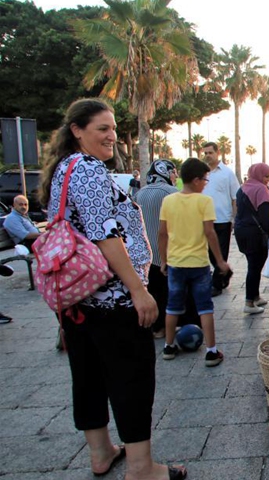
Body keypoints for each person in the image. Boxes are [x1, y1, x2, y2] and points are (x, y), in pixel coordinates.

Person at [39, 98, 185, 479]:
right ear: (77, 130)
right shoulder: (87, 169)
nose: (111, 136)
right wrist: (138, 290)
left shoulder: (64, 169)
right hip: (112, 297)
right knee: (131, 377)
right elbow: (106, 234)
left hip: (78, 299)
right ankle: (141, 468)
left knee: (87, 374)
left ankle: (101, 452)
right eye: (102, 128)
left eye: (113, 129)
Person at [159, 158, 230, 367]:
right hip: (198, 264)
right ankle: (211, 351)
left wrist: (164, 260)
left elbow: (162, 233)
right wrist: (220, 261)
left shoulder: (169, 201)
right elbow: (210, 233)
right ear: (197, 180)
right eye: (206, 180)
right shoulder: (204, 201)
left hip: (175, 263)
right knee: (205, 308)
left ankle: (169, 346)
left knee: (172, 307)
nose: (206, 183)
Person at [134, 160, 178, 339]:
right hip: (167, 253)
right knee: (168, 294)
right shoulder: (172, 193)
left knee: (153, 291)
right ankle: (167, 328)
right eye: (174, 172)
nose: (175, 176)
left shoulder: (139, 193)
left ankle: (154, 327)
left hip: (146, 254)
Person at [201, 141, 240, 296]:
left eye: (210, 153)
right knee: (210, 253)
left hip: (222, 219)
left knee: (221, 252)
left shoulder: (227, 173)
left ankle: (216, 284)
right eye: (205, 153)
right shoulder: (202, 174)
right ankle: (224, 272)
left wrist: (234, 219)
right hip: (204, 220)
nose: (208, 156)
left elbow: (235, 197)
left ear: (218, 153)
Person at [234, 163, 269, 314]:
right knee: (254, 267)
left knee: (253, 264)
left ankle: (255, 296)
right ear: (258, 175)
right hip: (255, 234)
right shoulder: (261, 189)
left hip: (241, 231)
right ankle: (249, 302)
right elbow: (265, 215)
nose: (267, 180)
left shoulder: (243, 188)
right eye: (265, 176)